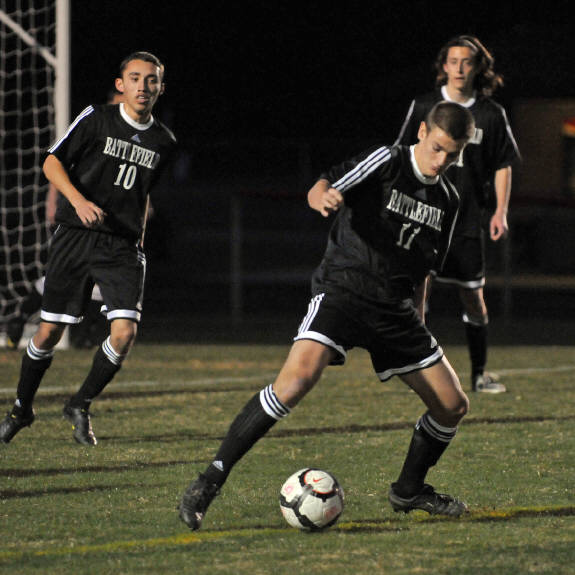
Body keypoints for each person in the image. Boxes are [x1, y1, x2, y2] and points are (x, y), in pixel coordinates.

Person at [178, 101, 475, 530]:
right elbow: (323, 184)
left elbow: (424, 270)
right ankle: (209, 481)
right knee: (295, 382)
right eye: (437, 148)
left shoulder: (448, 199)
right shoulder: (387, 161)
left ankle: (409, 490)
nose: (442, 160)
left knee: (452, 405)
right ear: (422, 132)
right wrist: (322, 196)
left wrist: (419, 319)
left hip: (394, 311)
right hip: (344, 290)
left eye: (453, 153)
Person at [0, 51, 176, 446]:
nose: (143, 86)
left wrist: (139, 238)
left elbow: (143, 192)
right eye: (135, 78)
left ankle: (79, 404)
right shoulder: (96, 118)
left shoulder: (164, 141)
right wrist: (78, 202)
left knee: (125, 333)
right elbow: (51, 162)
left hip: (122, 246)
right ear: (120, 85)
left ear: (161, 88)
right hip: (76, 236)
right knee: (48, 332)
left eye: (151, 80)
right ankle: (21, 409)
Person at [395, 35, 520, 394]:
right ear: (444, 66)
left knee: (474, 299)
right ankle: (417, 370)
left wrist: (500, 211)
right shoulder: (424, 106)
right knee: (418, 297)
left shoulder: (491, 114)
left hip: (466, 222)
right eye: (453, 61)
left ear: (478, 67)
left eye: (467, 61)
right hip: (424, 217)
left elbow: (503, 163)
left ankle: (479, 374)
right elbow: (401, 153)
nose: (460, 68)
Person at [4, 88, 127, 351]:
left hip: (109, 220)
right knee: (65, 275)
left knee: (100, 277)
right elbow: (59, 162)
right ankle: (22, 318)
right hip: (77, 216)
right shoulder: (94, 125)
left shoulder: (131, 137)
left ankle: (85, 334)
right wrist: (54, 201)